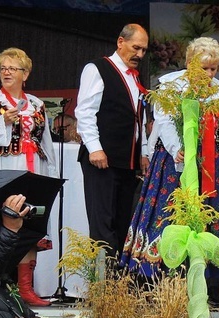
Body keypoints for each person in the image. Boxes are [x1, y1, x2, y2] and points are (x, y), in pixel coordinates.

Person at [120, 37, 219, 309]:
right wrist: (177, 149)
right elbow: (163, 121)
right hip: (176, 163)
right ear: (189, 64)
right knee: (170, 217)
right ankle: (166, 283)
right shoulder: (171, 86)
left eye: (214, 69)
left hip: (212, 165)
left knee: (216, 219)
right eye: (205, 68)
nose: (210, 74)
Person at [76, 23, 150, 257]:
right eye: (136, 48)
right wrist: (95, 149)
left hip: (127, 162)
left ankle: (118, 282)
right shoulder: (97, 68)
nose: (140, 55)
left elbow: (138, 120)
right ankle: (104, 286)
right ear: (120, 42)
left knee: (122, 222)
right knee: (102, 223)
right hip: (103, 159)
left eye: (144, 50)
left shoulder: (135, 77)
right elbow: (85, 111)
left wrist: (143, 151)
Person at [0, 48, 57, 307]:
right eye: (2, 68)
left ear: (25, 74)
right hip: (4, 167)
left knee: (31, 221)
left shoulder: (36, 104)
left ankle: (26, 289)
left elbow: (46, 141)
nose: (6, 72)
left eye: (12, 68)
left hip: (34, 170)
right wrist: (3, 124)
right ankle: (1, 285)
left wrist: (52, 176)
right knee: (3, 220)